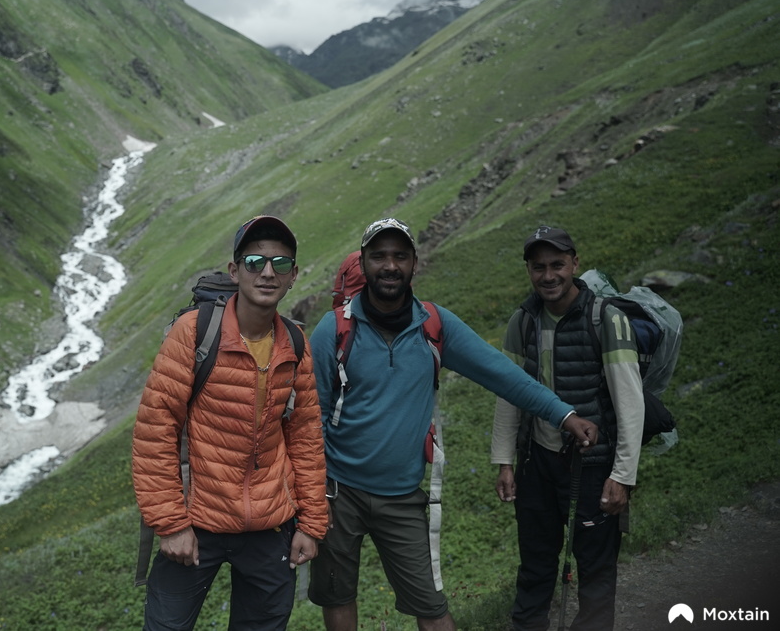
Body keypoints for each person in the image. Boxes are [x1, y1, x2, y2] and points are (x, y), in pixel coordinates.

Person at [306, 218, 598, 631]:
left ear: (414, 264)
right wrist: (311, 493)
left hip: (401, 497)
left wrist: (564, 415)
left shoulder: (434, 325)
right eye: (379, 256)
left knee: (431, 603)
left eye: (400, 256)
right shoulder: (333, 328)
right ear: (365, 262)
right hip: (337, 491)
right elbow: (309, 416)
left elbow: (503, 374)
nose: (390, 266)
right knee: (337, 594)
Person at [132, 215, 328, 631]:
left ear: (294, 275)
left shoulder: (295, 343)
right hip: (196, 522)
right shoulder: (193, 333)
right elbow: (155, 431)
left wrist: (311, 523)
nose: (268, 272)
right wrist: (170, 524)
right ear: (235, 271)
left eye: (281, 263)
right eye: (255, 262)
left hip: (271, 527)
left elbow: (306, 438)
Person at [491, 226, 645, 631]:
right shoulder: (522, 322)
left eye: (557, 265)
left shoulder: (606, 319)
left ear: (575, 264)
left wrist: (623, 475)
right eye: (538, 267)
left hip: (593, 466)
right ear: (528, 270)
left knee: (595, 569)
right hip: (538, 463)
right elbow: (508, 395)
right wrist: (505, 461)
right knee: (536, 565)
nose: (548, 275)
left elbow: (630, 403)